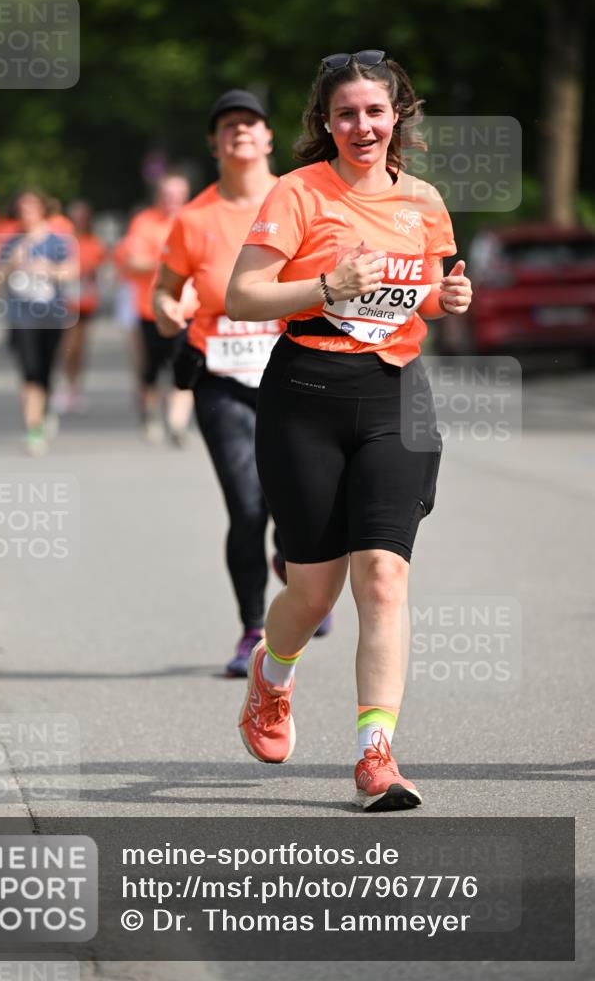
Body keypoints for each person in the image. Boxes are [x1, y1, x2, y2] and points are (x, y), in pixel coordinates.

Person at [227, 51, 472, 809]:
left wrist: (447, 298)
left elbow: (423, 297)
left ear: (397, 113)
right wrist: (326, 284)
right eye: (345, 114)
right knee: (312, 590)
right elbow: (242, 293)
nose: (360, 126)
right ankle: (273, 674)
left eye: (374, 111)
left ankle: (375, 756)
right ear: (324, 123)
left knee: (384, 577)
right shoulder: (299, 193)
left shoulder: (425, 202)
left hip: (394, 395)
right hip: (304, 394)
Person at [154, 90, 333, 678]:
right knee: (246, 504)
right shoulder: (194, 217)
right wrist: (167, 311)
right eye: (227, 125)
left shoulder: (303, 198)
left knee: (298, 505)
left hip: (298, 372)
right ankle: (253, 629)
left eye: (250, 122)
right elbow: (164, 288)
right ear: (214, 143)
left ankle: (296, 574)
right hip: (223, 378)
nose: (239, 132)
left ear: (267, 139)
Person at [117, 174, 194, 445]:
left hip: (187, 310)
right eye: (167, 194)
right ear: (158, 195)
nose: (171, 200)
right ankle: (148, 416)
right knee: (149, 370)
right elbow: (134, 262)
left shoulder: (194, 218)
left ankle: (177, 424)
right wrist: (169, 262)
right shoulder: (144, 222)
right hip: (150, 310)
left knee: (182, 369)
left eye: (177, 195)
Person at [0, 189, 75, 456]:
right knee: (29, 370)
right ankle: (33, 426)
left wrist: (49, 269)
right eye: (22, 209)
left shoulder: (56, 240)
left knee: (45, 369)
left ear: (42, 209)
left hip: (51, 314)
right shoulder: (11, 242)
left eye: (31, 208)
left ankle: (45, 407)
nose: (26, 214)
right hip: (21, 314)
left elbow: (71, 271)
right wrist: (11, 264)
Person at [52, 200, 107, 414]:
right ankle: (63, 385)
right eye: (76, 217)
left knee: (80, 349)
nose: (79, 221)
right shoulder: (62, 242)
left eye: (83, 217)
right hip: (66, 301)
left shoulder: (94, 242)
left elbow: (101, 269)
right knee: (67, 346)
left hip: (86, 301)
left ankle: (75, 387)